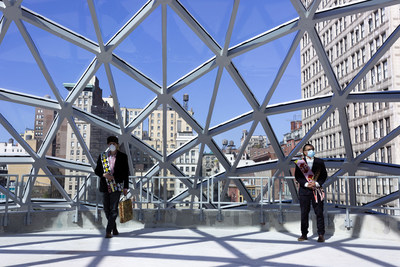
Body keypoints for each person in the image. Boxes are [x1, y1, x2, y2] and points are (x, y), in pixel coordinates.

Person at [95, 136, 130, 238]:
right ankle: (114, 229)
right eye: (110, 144)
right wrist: (103, 175)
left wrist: (125, 187)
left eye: (114, 144)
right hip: (105, 185)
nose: (112, 145)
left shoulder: (123, 157)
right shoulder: (102, 157)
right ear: (108, 145)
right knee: (106, 209)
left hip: (117, 185)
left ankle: (108, 231)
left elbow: (126, 173)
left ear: (117, 145)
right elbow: (97, 170)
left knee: (114, 209)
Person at [294, 143, 327, 242]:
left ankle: (321, 234)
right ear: (304, 152)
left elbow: (324, 176)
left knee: (319, 212)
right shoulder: (300, 163)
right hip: (304, 191)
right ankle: (304, 234)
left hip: (316, 190)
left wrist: (316, 183)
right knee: (304, 213)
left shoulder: (320, 162)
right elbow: (298, 177)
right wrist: (306, 184)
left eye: (312, 149)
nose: (311, 151)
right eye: (308, 149)